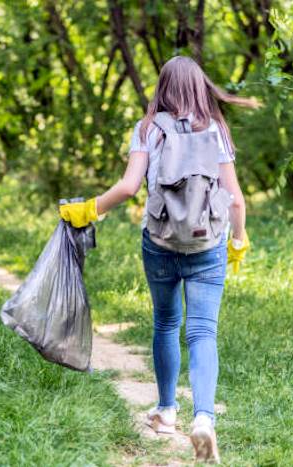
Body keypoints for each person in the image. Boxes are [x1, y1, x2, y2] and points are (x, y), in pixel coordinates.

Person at [58, 56, 259, 464]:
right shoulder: (217, 130)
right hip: (208, 246)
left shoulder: (149, 129)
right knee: (203, 331)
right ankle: (203, 417)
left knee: (166, 322)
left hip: (160, 243)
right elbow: (236, 199)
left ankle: (166, 412)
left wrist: (89, 210)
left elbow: (130, 186)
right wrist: (237, 241)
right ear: (201, 87)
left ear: (162, 88)